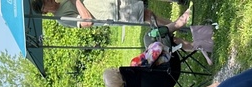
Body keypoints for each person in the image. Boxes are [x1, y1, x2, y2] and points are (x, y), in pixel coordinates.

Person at [32, 0, 190, 30]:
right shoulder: (61, 18)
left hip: (112, 2)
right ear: (44, 10)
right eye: (45, 2)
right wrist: (76, 1)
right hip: (113, 12)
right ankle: (181, 27)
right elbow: (87, 21)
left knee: (148, 12)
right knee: (148, 15)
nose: (49, 0)